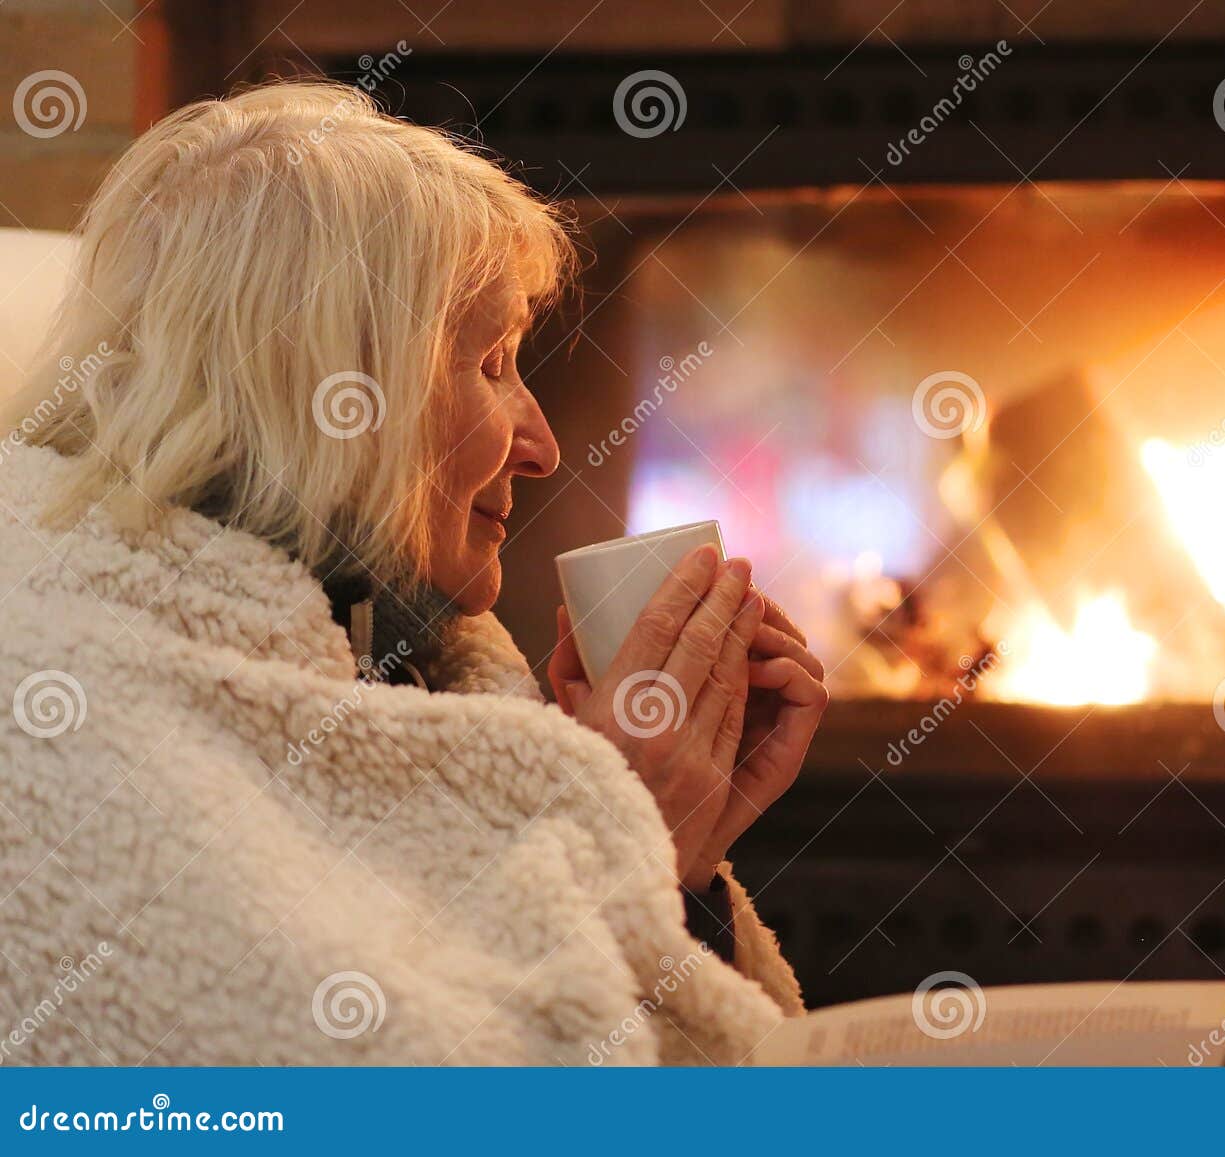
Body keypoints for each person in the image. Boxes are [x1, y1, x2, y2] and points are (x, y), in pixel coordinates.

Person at [0, 80, 825, 1065]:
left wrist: (658, 856)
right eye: (490, 363)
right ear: (327, 388)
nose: (543, 444)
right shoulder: (57, 705)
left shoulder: (389, 646)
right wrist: (629, 829)